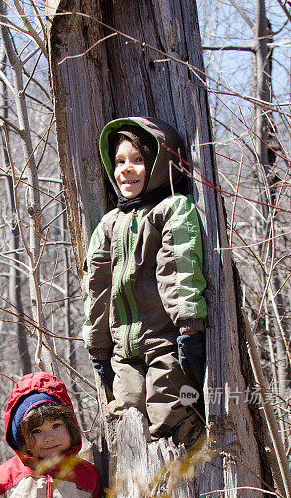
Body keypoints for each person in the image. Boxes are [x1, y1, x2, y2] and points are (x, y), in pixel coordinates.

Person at [82, 116, 207, 445]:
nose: (126, 169)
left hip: (167, 343)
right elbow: (97, 290)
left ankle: (192, 484)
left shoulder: (170, 209)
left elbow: (178, 266)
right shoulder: (110, 224)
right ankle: (143, 495)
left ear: (159, 163)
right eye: (120, 161)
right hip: (124, 351)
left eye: (138, 160)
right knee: (129, 415)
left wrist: (190, 325)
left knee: (172, 415)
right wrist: (98, 348)